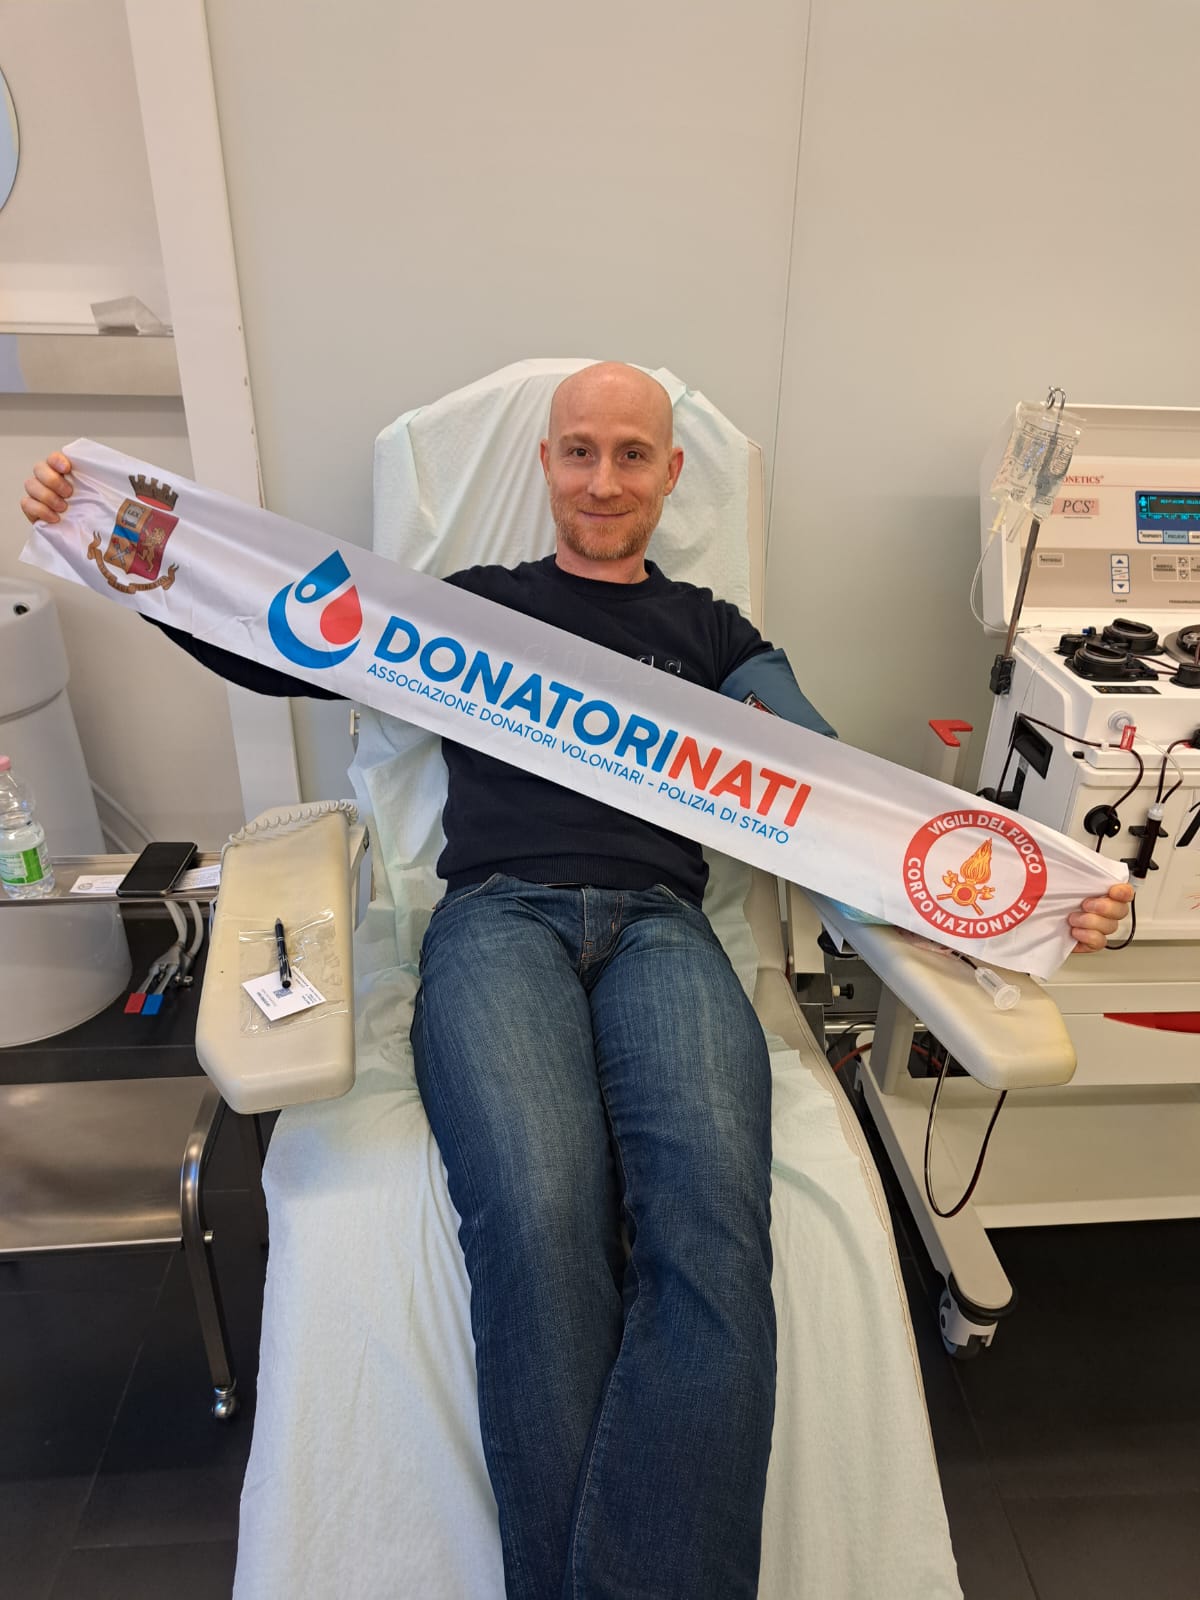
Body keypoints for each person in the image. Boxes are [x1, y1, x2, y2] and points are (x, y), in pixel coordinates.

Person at [21, 364, 1133, 1599]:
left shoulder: (716, 635)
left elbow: (833, 794)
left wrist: (1036, 888)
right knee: (540, 1217)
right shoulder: (468, 610)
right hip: (497, 920)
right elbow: (282, 642)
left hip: (664, 930)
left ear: (671, 474)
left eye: (632, 455)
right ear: (546, 464)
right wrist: (124, 546)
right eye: (580, 451)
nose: (604, 480)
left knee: (713, 1229)